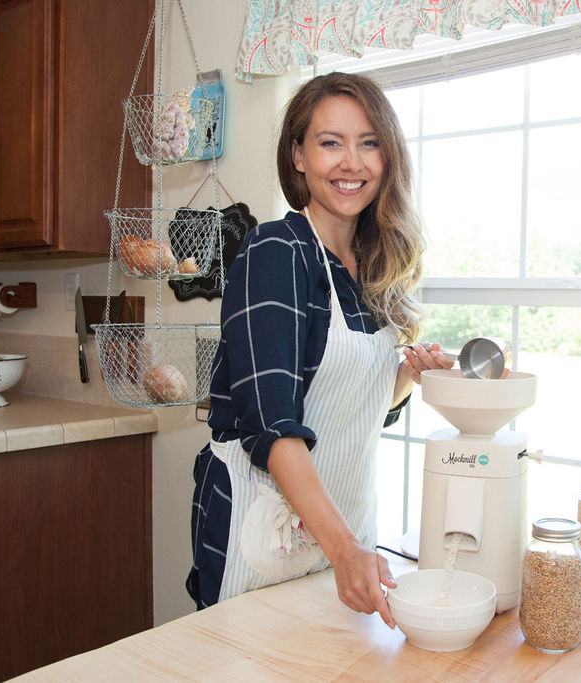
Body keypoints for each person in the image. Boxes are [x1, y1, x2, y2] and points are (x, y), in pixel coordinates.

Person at [186, 72, 453, 627]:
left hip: (346, 529)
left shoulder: (376, 268)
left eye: (369, 142)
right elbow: (273, 425)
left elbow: (349, 412)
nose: (351, 163)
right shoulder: (275, 253)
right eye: (330, 143)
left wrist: (404, 376)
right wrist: (345, 550)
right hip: (267, 533)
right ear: (298, 156)